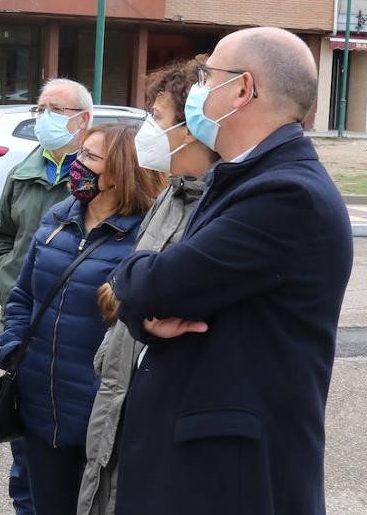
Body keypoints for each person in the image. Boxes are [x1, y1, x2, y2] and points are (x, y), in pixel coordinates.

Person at [110, 27, 354, 515]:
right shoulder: (245, 176)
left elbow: (156, 283)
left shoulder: (286, 195)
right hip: (203, 461)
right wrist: (146, 311)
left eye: (206, 76)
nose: (197, 88)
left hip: (230, 477)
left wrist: (138, 286)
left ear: (243, 89)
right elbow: (164, 295)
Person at [0, 123, 166, 515]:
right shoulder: (59, 217)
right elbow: (23, 295)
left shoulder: (146, 236)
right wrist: (12, 348)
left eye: (89, 157)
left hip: (102, 412)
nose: (77, 164)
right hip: (41, 408)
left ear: (121, 171)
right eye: (80, 153)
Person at [76, 57, 218, 515]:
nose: (147, 131)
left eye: (157, 119)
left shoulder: (216, 208)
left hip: (156, 410)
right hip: (118, 394)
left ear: (195, 125)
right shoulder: (173, 194)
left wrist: (133, 298)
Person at [0, 78, 94, 515]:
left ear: (83, 120)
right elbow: (1, 237)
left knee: (75, 458)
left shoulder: (97, 177)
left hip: (75, 335)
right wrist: (5, 277)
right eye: (41, 107)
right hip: (22, 329)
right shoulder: (25, 171)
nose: (44, 117)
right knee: (25, 457)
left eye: (57, 109)